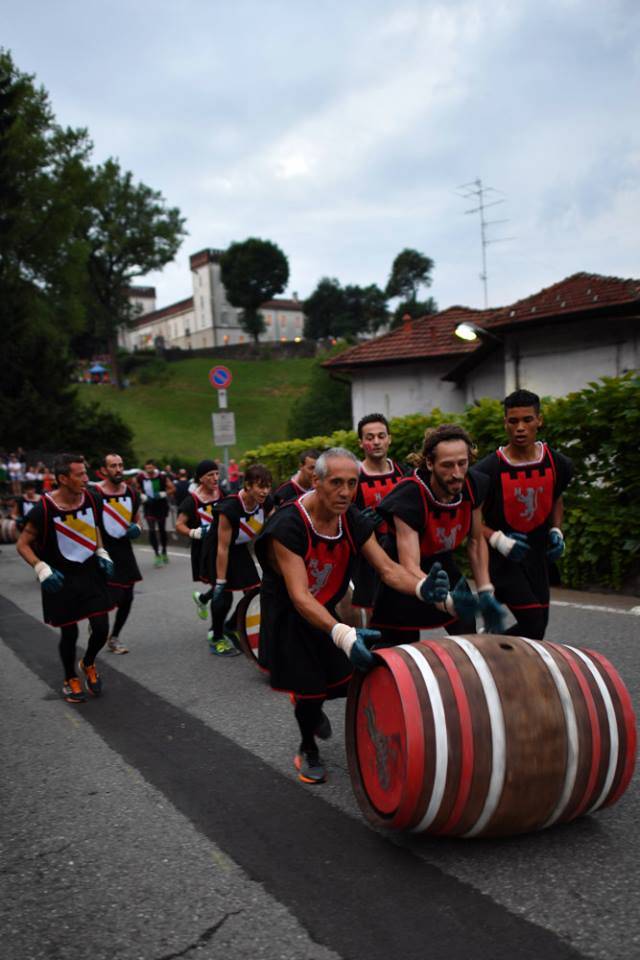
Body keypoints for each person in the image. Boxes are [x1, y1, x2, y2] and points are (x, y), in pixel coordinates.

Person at [255, 448, 450, 785]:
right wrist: (344, 634)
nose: (345, 492)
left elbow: (388, 570)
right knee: (311, 690)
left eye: (352, 483)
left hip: (324, 609)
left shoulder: (353, 519)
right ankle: (307, 747)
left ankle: (307, 700)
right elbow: (301, 597)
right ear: (315, 481)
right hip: (288, 613)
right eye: (336, 483)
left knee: (344, 681)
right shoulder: (287, 525)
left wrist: (423, 589)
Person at [371, 423, 505, 644]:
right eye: (447, 465)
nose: (456, 473)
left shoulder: (474, 485)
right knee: (398, 653)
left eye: (462, 463)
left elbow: (475, 540)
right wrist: (447, 602)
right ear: (430, 463)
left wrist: (485, 591)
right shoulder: (409, 497)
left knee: (468, 636)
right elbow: (410, 566)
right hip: (404, 573)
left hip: (443, 563)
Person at [474, 389, 574, 639]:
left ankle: (489, 646)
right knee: (533, 625)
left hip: (537, 559)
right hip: (503, 561)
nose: (520, 427)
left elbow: (556, 497)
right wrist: (498, 539)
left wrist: (556, 530)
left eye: (527, 420)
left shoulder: (558, 463)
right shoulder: (487, 470)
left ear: (539, 420)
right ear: (504, 423)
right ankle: (483, 648)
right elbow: (469, 519)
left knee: (537, 631)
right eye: (513, 420)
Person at [16, 454, 115, 703]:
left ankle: (88, 662)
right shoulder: (44, 509)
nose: (86, 478)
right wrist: (40, 568)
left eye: (85, 472)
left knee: (101, 628)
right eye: (80, 474)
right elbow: (23, 544)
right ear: (63, 479)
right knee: (69, 634)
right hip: (60, 578)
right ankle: (70, 677)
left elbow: (94, 528)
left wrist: (101, 550)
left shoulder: (92, 498)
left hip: (90, 573)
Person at [205, 464, 274, 656]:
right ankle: (216, 637)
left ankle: (231, 625)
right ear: (248, 486)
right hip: (218, 548)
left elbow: (277, 527)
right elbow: (222, 547)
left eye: (268, 486)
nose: (265, 491)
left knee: (255, 592)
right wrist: (219, 580)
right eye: (260, 486)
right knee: (223, 595)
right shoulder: (230, 508)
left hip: (240, 548)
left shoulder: (266, 502)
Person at [351, 413, 406, 616]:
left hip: (403, 556)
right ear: (360, 443)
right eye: (369, 437)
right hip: (369, 563)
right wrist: (358, 521)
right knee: (377, 621)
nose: (376, 442)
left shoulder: (404, 473)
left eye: (381, 436)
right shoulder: (352, 477)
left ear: (389, 439)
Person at [95, 452, 143, 654]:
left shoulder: (131, 493)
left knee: (128, 596)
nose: (118, 469)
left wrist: (137, 528)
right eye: (113, 466)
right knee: (110, 596)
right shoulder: (94, 493)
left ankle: (114, 637)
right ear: (104, 470)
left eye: (121, 465)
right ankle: (98, 625)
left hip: (124, 550)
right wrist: (98, 549)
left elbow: (137, 519)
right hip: (102, 551)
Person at [175, 459, 221, 639]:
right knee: (221, 587)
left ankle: (203, 600)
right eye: (211, 475)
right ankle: (216, 631)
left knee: (224, 585)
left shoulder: (222, 493)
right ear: (201, 478)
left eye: (217, 473)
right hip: (205, 551)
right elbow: (179, 524)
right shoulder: (192, 500)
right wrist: (194, 532)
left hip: (223, 546)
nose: (216, 478)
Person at [137, 460, 173, 567]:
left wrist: (163, 493)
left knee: (162, 530)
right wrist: (141, 495)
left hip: (161, 506)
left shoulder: (161, 477)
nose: (149, 470)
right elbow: (136, 489)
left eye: (151, 468)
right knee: (152, 530)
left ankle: (164, 551)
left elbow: (172, 488)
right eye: (147, 468)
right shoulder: (141, 477)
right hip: (148, 506)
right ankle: (157, 554)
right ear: (145, 468)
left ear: (154, 467)